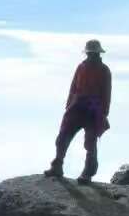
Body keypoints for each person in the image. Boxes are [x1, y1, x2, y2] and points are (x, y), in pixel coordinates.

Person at [44, 39, 112, 184]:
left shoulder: (105, 70)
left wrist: (103, 113)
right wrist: (69, 105)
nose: (91, 55)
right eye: (89, 53)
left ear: (98, 53)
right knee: (62, 137)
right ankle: (57, 166)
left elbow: (107, 93)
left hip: (94, 109)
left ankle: (88, 173)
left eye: (93, 53)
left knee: (90, 143)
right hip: (77, 106)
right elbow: (73, 86)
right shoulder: (81, 67)